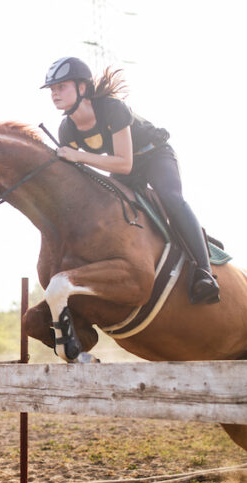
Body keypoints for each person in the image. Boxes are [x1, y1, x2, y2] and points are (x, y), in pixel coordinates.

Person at [42, 56, 220, 305]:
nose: (54, 94)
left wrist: (77, 155)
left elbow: (123, 162)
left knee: (170, 197)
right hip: (126, 170)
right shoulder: (66, 129)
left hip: (154, 155)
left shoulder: (111, 108)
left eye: (61, 87)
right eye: (52, 89)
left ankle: (205, 272)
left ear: (82, 88)